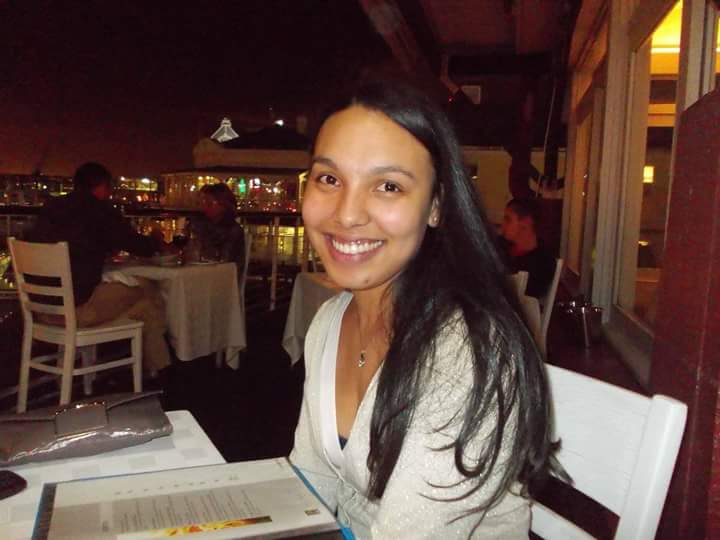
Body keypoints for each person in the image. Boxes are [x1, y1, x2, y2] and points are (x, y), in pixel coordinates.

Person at [289, 80, 557, 538]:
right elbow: (310, 481)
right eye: (329, 179)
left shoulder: (465, 354)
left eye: (388, 186)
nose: (347, 214)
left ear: (435, 207)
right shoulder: (329, 321)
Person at [27, 162, 172, 374]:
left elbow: (78, 244)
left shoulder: (51, 207)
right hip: (76, 309)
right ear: (103, 186)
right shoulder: (99, 210)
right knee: (148, 292)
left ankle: (157, 367)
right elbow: (139, 245)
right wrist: (157, 240)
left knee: (145, 303)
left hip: (39, 309)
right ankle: (162, 369)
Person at [499, 198, 557, 299]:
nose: (503, 225)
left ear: (526, 222)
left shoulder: (543, 260)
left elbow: (526, 297)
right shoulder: (500, 245)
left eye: (508, 220)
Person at [189, 183, 245, 267]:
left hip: (223, 271)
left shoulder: (233, 230)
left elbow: (225, 259)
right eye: (203, 203)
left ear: (223, 205)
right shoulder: (201, 223)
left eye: (209, 203)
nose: (204, 207)